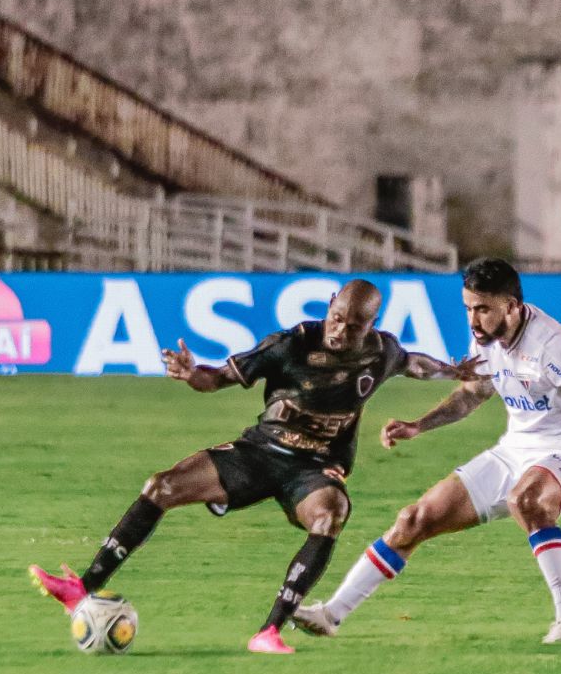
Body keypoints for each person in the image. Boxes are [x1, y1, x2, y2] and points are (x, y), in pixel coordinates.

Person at [29, 279, 485, 654]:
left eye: (353, 325)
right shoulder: (290, 344)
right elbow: (218, 379)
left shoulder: (380, 352)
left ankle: (269, 632)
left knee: (330, 514)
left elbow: (413, 363)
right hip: (261, 452)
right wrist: (191, 374)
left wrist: (451, 371)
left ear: (372, 325)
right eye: (337, 318)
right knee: (161, 486)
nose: (340, 330)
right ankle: (81, 588)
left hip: (315, 469)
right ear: (330, 305)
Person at [293, 258, 561, 644]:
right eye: (469, 308)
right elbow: (473, 393)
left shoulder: (550, 345)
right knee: (413, 520)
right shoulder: (486, 339)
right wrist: (418, 425)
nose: (473, 319)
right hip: (516, 449)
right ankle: (331, 614)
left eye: (483, 309)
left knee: (526, 500)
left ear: (511, 306)